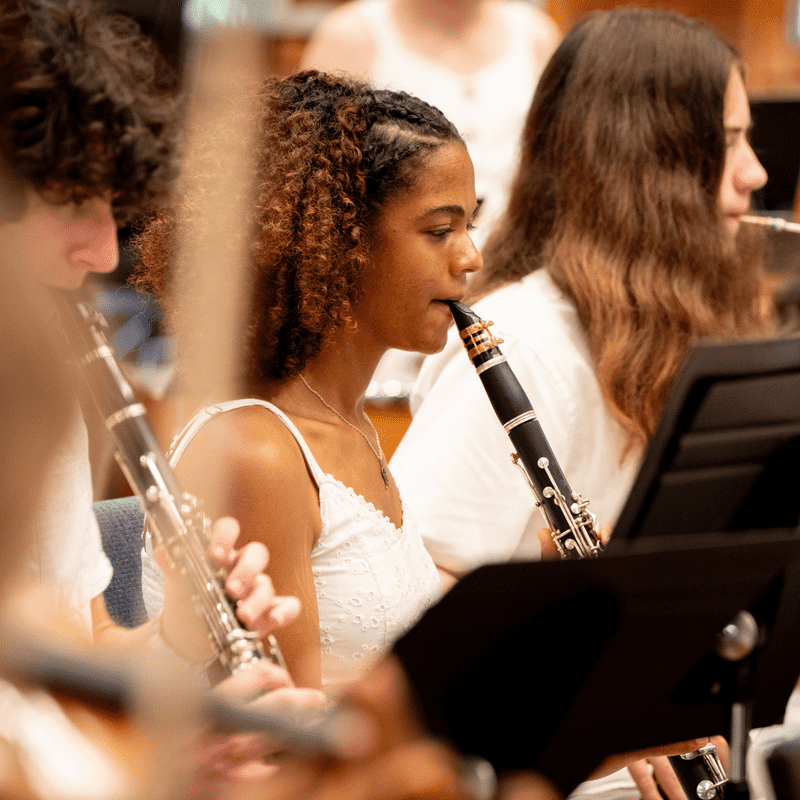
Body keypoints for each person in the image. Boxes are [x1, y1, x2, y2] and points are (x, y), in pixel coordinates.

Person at [390, 8, 768, 797]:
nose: (756, 174)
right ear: (654, 163)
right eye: (731, 141)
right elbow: (408, 615)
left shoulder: (673, 335)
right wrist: (593, 710)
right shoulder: (524, 344)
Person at [133, 69, 480, 692]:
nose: (469, 257)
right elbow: (302, 747)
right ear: (344, 244)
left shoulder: (349, 423)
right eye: (439, 231)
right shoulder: (256, 453)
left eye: (470, 226)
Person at [300, 0, 561, 246]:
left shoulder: (535, 34)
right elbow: (315, 176)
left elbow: (558, 166)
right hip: (397, 258)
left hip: (519, 252)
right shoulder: (350, 35)